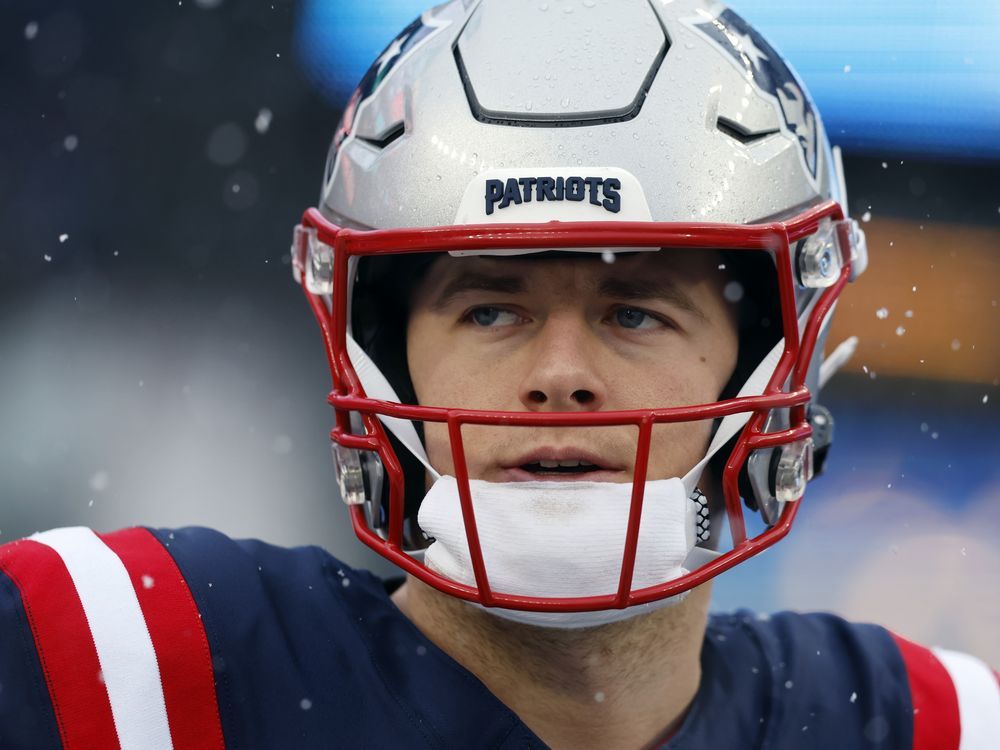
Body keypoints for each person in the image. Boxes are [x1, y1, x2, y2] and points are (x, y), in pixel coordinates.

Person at [1, 1, 996, 748]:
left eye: (635, 311)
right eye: (491, 308)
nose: (560, 375)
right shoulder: (128, 662)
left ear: (771, 358)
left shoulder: (925, 725)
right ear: (382, 356)